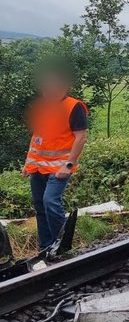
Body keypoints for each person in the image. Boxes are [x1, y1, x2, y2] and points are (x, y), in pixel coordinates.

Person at [21, 63, 88, 252]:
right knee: (40, 207)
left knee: (50, 201)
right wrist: (28, 164)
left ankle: (62, 245)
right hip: (38, 168)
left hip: (60, 168)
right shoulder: (42, 107)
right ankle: (45, 248)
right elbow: (37, 137)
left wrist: (69, 164)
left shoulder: (73, 107)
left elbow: (80, 137)